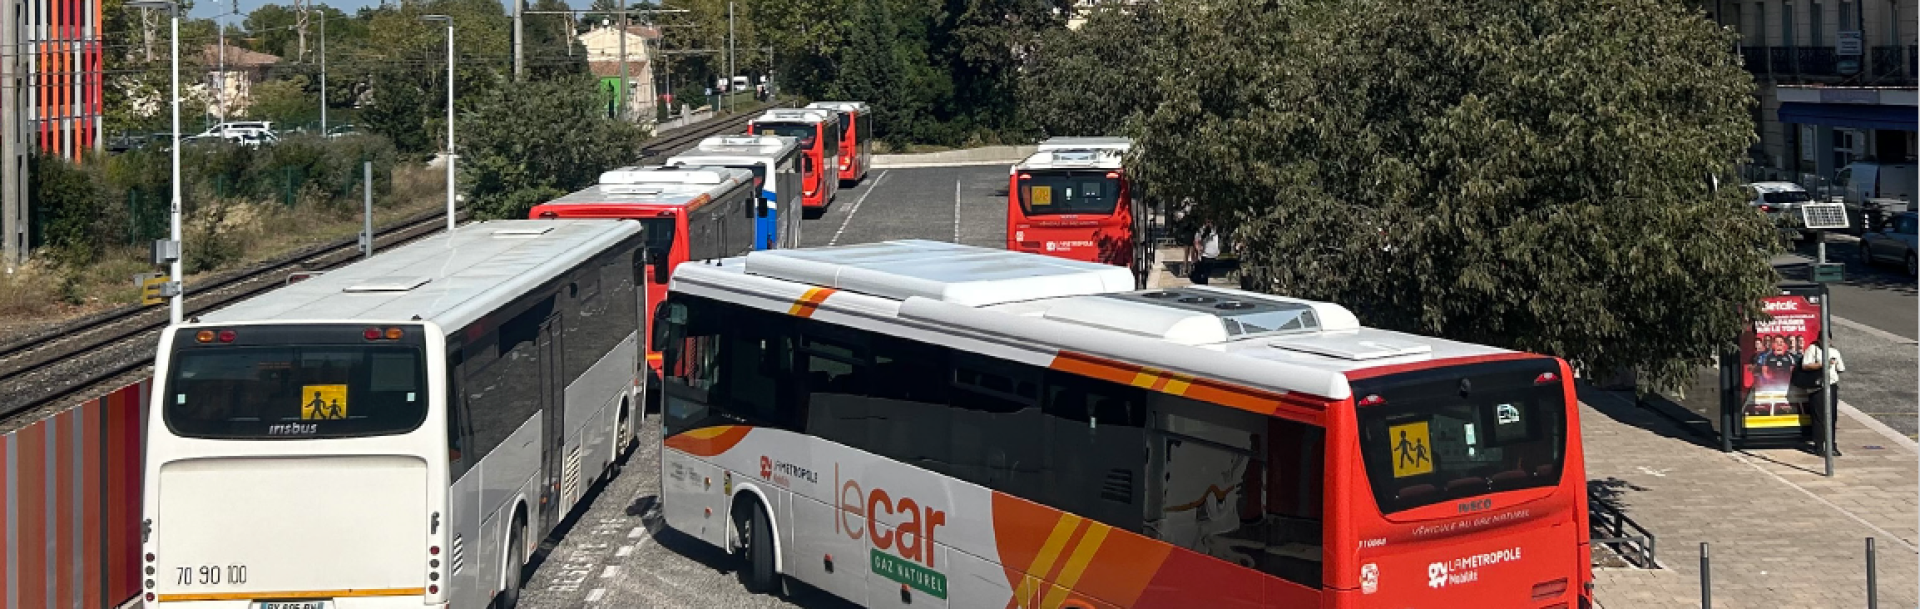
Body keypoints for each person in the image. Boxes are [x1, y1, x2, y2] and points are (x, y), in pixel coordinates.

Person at [1799, 339, 1847, 455]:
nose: (1827, 343)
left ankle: (1831, 444)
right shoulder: (1812, 350)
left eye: (1829, 340)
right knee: (1819, 417)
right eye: (1824, 340)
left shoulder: (1834, 351)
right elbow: (1805, 366)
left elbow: (1841, 368)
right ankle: (1819, 445)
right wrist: (1821, 365)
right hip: (1817, 387)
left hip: (1831, 385)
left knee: (1832, 416)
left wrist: (1833, 366)